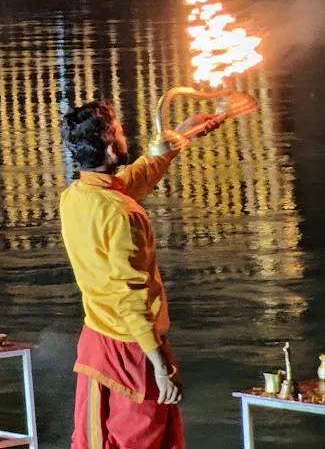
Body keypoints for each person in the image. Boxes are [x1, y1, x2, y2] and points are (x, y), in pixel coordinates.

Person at [60, 100, 220, 449]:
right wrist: (161, 367)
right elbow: (131, 298)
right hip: (132, 351)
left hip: (96, 342)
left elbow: (129, 179)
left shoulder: (75, 197)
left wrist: (182, 135)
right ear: (107, 144)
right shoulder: (123, 215)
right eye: (117, 132)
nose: (123, 135)